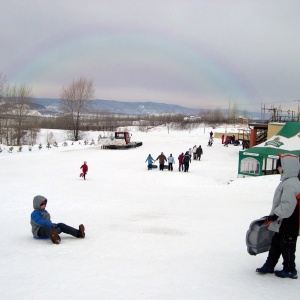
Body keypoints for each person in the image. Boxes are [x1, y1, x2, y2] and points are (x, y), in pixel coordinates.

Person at [256, 154, 300, 279]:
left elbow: (287, 205)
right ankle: (270, 264)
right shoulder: (287, 181)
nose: (278, 169)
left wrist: (274, 216)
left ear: (287, 167)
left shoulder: (292, 184)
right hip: (282, 221)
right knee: (276, 243)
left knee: (287, 246)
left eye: (280, 166)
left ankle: (290, 269)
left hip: (289, 221)